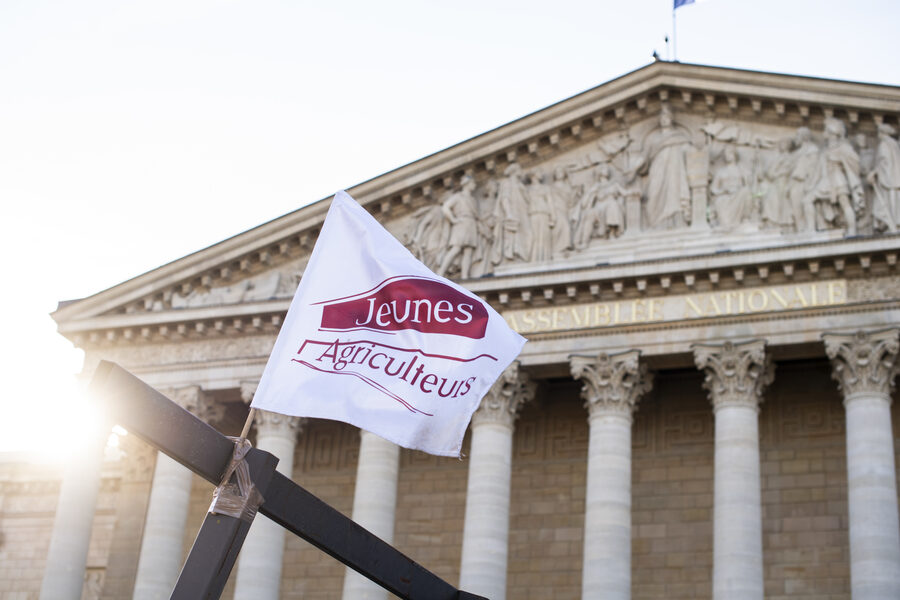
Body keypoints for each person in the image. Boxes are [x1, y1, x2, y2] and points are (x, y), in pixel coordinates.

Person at [628, 104, 693, 230]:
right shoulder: (653, 138)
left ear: (672, 118)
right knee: (654, 196)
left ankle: (675, 223)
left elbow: (689, 150)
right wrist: (633, 169)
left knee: (674, 195)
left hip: (674, 172)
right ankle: (656, 225)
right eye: (662, 116)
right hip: (657, 171)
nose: (664, 119)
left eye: (667, 116)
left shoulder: (679, 136)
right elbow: (643, 157)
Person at [808, 117, 862, 235]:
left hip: (838, 179)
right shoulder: (825, 150)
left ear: (832, 132)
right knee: (807, 200)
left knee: (845, 203)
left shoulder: (843, 148)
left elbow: (855, 163)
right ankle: (810, 230)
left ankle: (852, 231)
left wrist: (840, 162)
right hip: (826, 181)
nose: (824, 133)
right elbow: (818, 171)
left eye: (826, 130)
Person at [436, 175, 480, 278]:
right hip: (462, 223)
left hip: (471, 223)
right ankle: (440, 272)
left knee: (468, 251)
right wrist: (453, 219)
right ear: (467, 184)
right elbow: (445, 207)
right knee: (456, 248)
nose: (474, 185)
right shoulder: (458, 196)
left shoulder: (472, 199)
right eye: (473, 183)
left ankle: (465, 276)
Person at [573, 163, 626, 247]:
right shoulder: (596, 186)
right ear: (599, 172)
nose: (607, 170)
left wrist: (634, 192)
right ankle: (584, 242)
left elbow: (625, 193)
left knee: (612, 205)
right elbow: (584, 204)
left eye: (607, 169)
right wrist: (591, 192)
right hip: (599, 207)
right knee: (589, 214)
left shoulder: (614, 184)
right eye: (604, 168)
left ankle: (612, 233)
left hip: (610, 204)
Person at [710, 147, 754, 229]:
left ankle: (745, 219)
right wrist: (723, 191)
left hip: (738, 195)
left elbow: (747, 184)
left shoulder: (741, 170)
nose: (727, 156)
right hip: (725, 197)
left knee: (746, 191)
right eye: (726, 154)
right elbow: (713, 189)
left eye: (729, 153)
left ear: (735, 155)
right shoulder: (721, 171)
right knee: (720, 201)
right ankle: (724, 222)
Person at [869, 123, 900, 233]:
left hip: (888, 180)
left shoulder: (884, 144)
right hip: (895, 180)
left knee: (887, 203)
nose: (878, 136)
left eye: (878, 133)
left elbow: (884, 162)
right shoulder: (895, 144)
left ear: (882, 133)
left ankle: (888, 224)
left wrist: (874, 172)